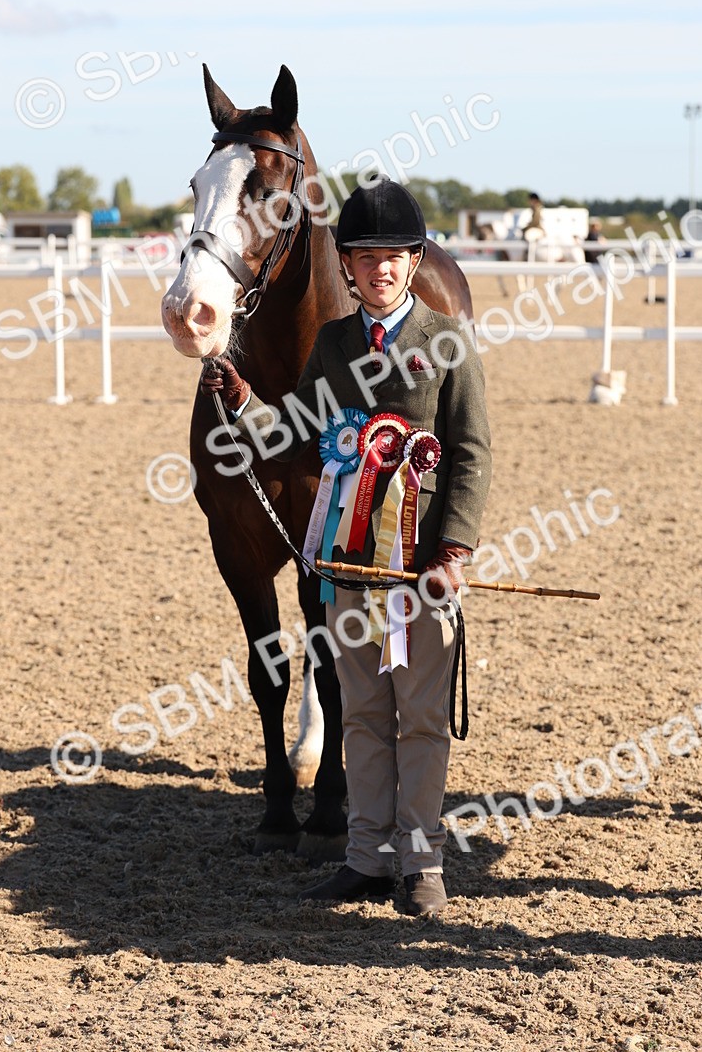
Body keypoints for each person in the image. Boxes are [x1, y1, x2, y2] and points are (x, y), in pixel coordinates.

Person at [200, 180, 492, 915]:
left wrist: (453, 550)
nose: (380, 270)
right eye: (364, 259)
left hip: (419, 566)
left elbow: (472, 452)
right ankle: (364, 857)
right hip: (347, 562)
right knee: (359, 713)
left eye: (393, 258)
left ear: (412, 261)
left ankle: (421, 865)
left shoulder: (446, 339)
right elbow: (297, 429)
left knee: (420, 719)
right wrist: (244, 403)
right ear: (350, 267)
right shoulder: (332, 344)